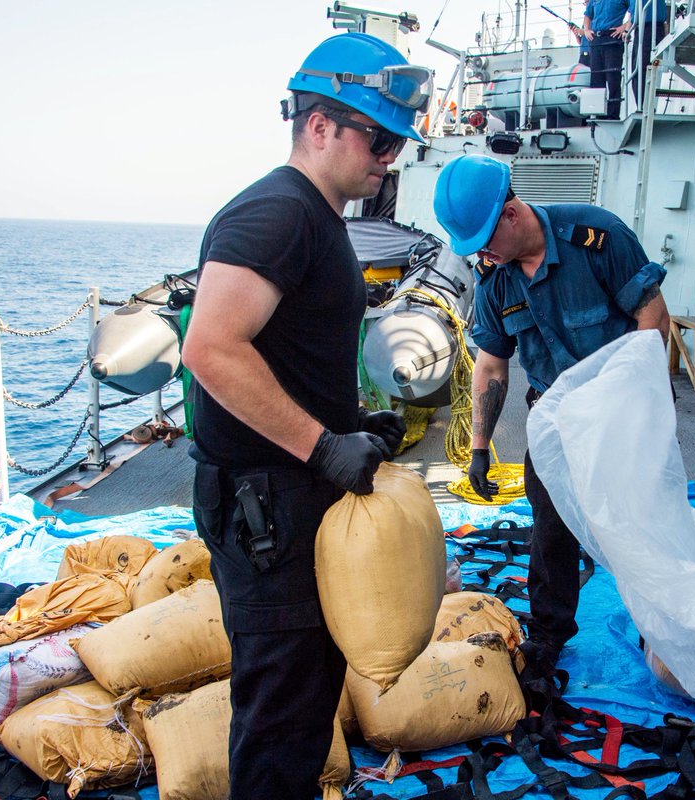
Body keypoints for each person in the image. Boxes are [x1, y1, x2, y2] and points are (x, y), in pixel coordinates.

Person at [180, 32, 428, 799]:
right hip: (267, 509)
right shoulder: (277, 214)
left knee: (307, 695)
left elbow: (283, 353)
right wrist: (323, 448)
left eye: (396, 143)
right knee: (282, 716)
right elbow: (212, 349)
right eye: (379, 137)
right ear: (319, 126)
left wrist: (351, 422)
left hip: (291, 496)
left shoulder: (316, 216)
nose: (389, 157)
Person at [432, 153, 670, 676]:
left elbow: (652, 317)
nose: (484, 256)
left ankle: (667, 631)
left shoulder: (598, 237)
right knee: (551, 527)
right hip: (553, 419)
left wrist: (630, 407)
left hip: (621, 413)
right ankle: (548, 636)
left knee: (641, 524)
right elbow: (493, 367)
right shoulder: (495, 281)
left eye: (486, 241)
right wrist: (477, 450)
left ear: (511, 214)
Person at [583, 0, 631, 119]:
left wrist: (624, 27)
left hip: (612, 38)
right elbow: (587, 15)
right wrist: (586, 30)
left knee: (613, 78)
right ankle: (597, 114)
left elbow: (635, 11)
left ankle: (613, 115)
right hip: (596, 39)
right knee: (596, 79)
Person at [630, 0, 668, 108]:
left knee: (643, 66)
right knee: (636, 69)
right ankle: (642, 105)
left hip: (652, 26)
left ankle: (645, 106)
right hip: (639, 28)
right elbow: (633, 10)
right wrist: (627, 29)